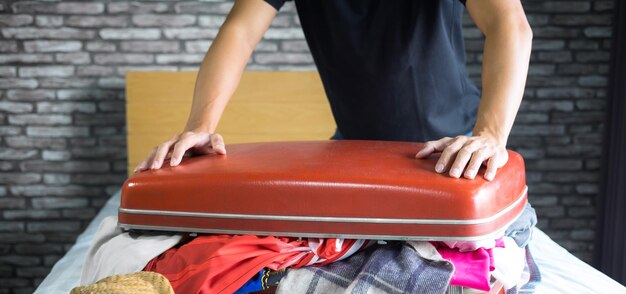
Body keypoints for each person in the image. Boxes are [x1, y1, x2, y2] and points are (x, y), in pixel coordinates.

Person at [136, 0, 532, 181]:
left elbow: (509, 24)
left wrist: (490, 136)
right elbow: (240, 32)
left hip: (452, 152)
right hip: (352, 154)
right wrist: (200, 124)